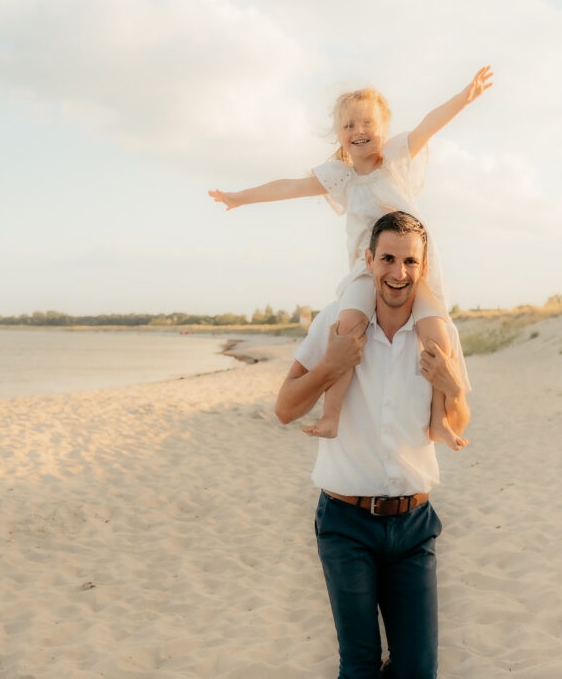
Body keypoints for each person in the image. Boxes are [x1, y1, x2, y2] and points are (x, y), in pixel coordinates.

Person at [211, 66, 492, 450]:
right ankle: (331, 415)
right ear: (339, 134)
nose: (359, 131)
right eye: (349, 125)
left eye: (367, 123)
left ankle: (440, 421)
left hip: (413, 263)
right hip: (365, 269)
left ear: (384, 128)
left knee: (437, 334)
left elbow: (430, 124)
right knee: (347, 329)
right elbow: (288, 186)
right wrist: (240, 198)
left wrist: (465, 97)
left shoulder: (394, 159)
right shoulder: (340, 178)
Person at [275, 212, 471, 678]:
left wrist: (454, 390)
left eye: (409, 261)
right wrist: (331, 365)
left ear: (422, 267)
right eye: (387, 259)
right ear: (368, 260)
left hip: (414, 527)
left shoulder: (440, 332)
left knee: (418, 670)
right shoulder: (336, 321)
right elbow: (285, 408)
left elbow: (457, 423)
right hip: (346, 524)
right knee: (359, 666)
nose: (398, 272)